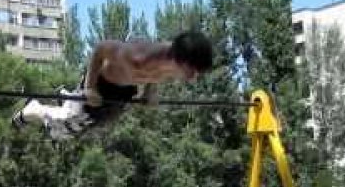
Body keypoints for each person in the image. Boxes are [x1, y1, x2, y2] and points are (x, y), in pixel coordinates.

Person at [11, 31, 213, 140]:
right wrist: (90, 88)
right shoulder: (137, 57)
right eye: (191, 72)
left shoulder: (174, 59)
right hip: (101, 84)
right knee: (65, 130)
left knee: (91, 128)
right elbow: (101, 49)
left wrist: (149, 92)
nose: (193, 78)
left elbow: (157, 74)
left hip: (124, 91)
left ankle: (67, 97)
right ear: (177, 60)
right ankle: (33, 108)